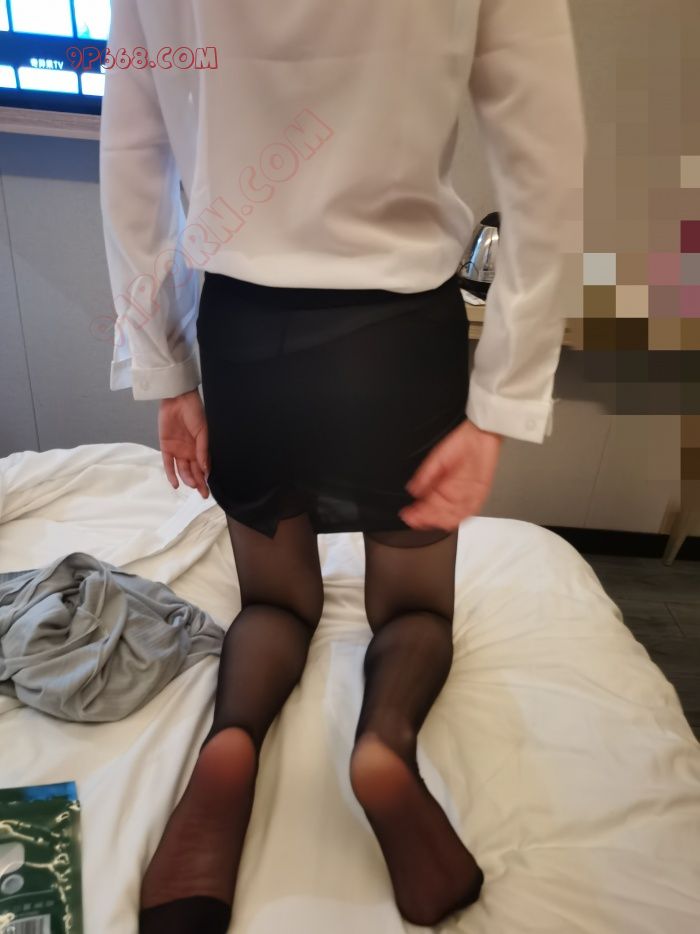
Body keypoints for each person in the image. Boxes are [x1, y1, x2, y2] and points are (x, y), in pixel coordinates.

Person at [99, 0, 586, 930]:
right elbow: (544, 162)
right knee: (412, 612)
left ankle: (230, 745)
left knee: (275, 605)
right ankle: (384, 744)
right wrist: (501, 400)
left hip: (247, 334)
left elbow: (132, 149)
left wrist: (168, 373)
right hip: (399, 336)